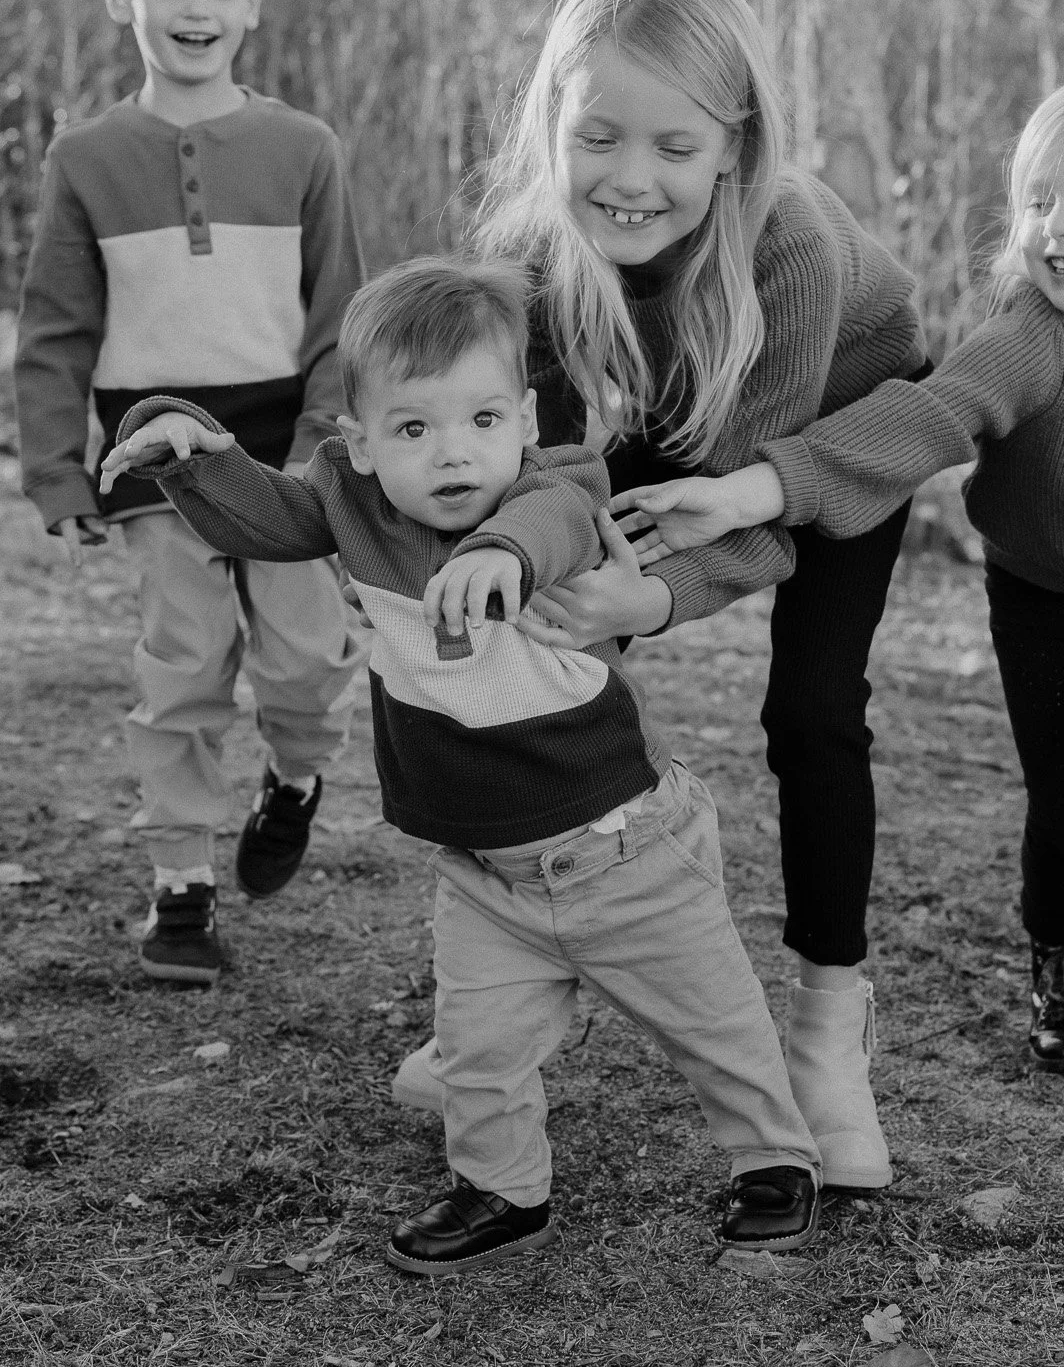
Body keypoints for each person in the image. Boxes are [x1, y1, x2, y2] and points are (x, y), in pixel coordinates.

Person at [612, 67, 1064, 1091]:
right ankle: (1063, 974)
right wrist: (755, 489)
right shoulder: (1033, 341)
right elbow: (922, 421)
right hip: (1038, 602)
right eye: (1039, 199)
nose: (1057, 225)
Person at [99, 257, 822, 1273]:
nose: (453, 453)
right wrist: (188, 454)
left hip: (627, 850)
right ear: (358, 442)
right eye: (414, 429)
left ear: (525, 417)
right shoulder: (349, 505)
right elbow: (260, 516)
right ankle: (504, 1188)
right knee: (476, 1053)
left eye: (483, 420)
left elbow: (553, 523)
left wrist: (503, 554)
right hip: (483, 875)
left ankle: (774, 1160)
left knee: (715, 1022)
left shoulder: (555, 490)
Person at [389, 0, 931, 1192]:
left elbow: (756, 500)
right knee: (560, 661)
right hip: (673, 410)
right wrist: (578, 587)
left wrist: (662, 593)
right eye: (599, 137)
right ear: (552, 129)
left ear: (734, 151)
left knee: (812, 712)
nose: (632, 179)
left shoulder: (790, 243)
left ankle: (826, 1031)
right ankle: (521, 991)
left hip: (837, 428)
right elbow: (548, 474)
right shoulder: (528, 259)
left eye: (675, 147)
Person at [15, 0, 366, 987]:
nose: (194, 5)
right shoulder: (86, 158)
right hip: (153, 451)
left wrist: (327, 445)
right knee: (182, 665)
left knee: (307, 664)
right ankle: (181, 889)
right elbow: (57, 327)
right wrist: (57, 471)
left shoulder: (305, 148)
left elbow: (339, 320)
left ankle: (296, 779)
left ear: (253, 1)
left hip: (284, 454)